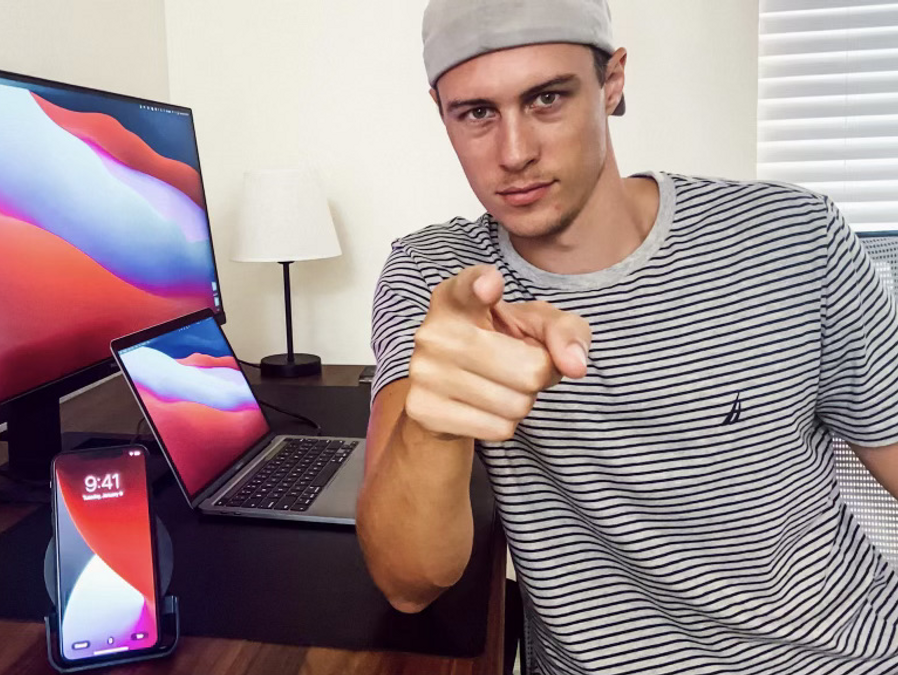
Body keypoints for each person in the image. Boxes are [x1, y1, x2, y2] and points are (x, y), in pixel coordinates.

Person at [356, 0, 898, 672]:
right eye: (477, 113)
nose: (514, 153)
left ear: (612, 82)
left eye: (547, 98)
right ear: (441, 112)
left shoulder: (793, 234)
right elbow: (407, 582)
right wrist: (435, 425)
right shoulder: (437, 277)